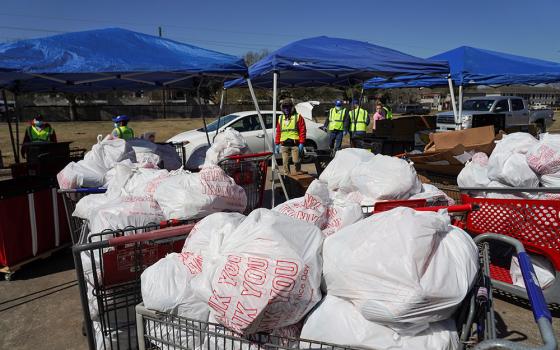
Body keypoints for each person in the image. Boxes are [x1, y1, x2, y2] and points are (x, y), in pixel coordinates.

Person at [274, 99, 306, 175]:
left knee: (296, 160)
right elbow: (278, 131)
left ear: (291, 107)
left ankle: (298, 170)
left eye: (287, 107)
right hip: (284, 144)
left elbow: (302, 130)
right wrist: (277, 143)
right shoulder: (281, 118)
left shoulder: (298, 117)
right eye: (284, 107)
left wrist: (302, 143)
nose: (286, 109)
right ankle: (287, 175)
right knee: (285, 162)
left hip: (295, 144)